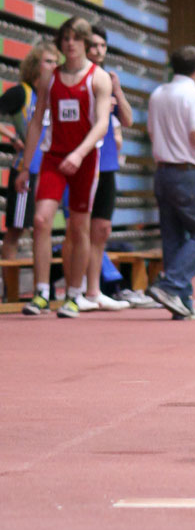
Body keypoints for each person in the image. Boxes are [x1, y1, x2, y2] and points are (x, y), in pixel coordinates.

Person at [16, 17, 112, 318]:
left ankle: (74, 294)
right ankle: (43, 292)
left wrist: (80, 153)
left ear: (85, 41)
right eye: (65, 37)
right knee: (42, 221)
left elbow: (102, 124)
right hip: (54, 158)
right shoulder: (50, 78)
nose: (70, 43)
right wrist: (24, 167)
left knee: (78, 226)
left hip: (84, 160)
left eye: (75, 37)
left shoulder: (98, 78)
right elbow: (35, 122)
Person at [146, 45, 195, 320]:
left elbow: (152, 131)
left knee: (173, 236)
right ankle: (171, 284)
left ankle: (182, 300)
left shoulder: (157, 94)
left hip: (163, 170)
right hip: (189, 172)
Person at [70, 26, 133, 311]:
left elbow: (128, 120)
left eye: (103, 46)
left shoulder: (107, 80)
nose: (98, 50)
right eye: (93, 45)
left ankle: (94, 291)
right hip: (78, 161)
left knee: (101, 228)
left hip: (105, 163)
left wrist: (117, 89)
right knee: (77, 228)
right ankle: (74, 290)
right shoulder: (75, 79)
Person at [0, 40, 60, 297]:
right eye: (48, 61)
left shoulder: (50, 95)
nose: (53, 66)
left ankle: (42, 288)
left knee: (42, 228)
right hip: (25, 169)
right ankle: (10, 291)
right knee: (16, 229)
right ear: (35, 65)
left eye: (56, 62)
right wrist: (12, 138)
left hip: (49, 170)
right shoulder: (21, 92)